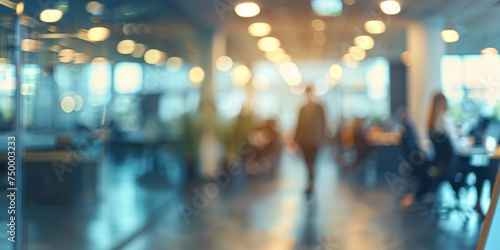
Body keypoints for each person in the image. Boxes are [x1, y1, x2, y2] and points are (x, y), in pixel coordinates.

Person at [294, 86, 326, 195]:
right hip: (308, 141)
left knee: (311, 163)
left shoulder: (317, 107)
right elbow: (298, 126)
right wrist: (295, 141)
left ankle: (311, 182)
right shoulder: (305, 108)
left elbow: (324, 124)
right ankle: (311, 182)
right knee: (309, 163)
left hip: (313, 140)